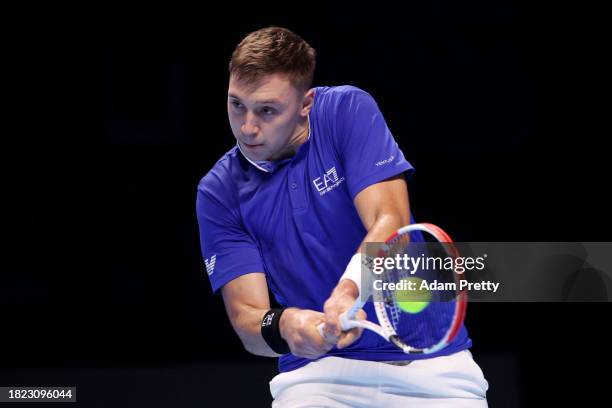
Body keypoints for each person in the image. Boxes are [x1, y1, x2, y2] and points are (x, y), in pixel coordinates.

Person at [196, 26, 488, 407]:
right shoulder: (220, 191)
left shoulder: (345, 111)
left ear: (306, 103)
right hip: (319, 377)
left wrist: (349, 288)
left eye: (267, 110)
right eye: (237, 105)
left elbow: (391, 219)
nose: (247, 127)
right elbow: (248, 321)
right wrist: (289, 325)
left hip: (433, 367)